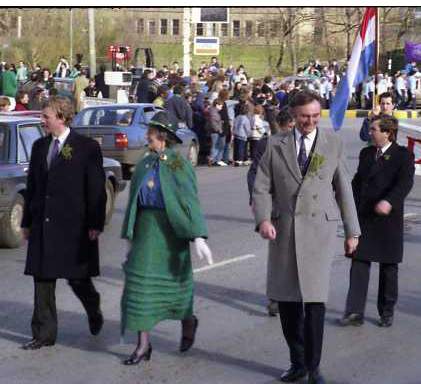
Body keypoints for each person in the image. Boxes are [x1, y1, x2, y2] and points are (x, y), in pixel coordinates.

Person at [252, 91, 360, 384]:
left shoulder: (333, 144)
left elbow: (344, 189)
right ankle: (297, 362)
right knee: (287, 304)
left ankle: (314, 368)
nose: (309, 121)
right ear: (293, 116)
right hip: (284, 232)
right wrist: (262, 219)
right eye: (303, 116)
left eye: (315, 116)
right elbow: (261, 187)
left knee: (314, 304)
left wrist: (352, 231)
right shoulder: (275, 145)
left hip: (318, 233)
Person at [120, 110, 213, 365]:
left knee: (177, 287)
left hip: (171, 234)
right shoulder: (145, 162)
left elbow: (188, 199)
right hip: (145, 232)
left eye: (150, 132)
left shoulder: (176, 163)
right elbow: (133, 202)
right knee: (140, 289)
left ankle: (188, 320)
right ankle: (143, 345)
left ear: (161, 135)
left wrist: (198, 237)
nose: (146, 135)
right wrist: (128, 237)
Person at [20, 96, 106, 350]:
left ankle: (92, 305)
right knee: (42, 279)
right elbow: (33, 187)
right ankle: (43, 334)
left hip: (74, 227)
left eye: (45, 116)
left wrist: (95, 223)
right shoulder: (39, 147)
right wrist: (27, 221)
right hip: (43, 224)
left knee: (77, 278)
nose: (41, 120)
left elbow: (96, 188)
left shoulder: (86, 147)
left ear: (61, 117)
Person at [337, 115, 415, 328]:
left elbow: (404, 184)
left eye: (373, 129)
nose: (369, 133)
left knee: (388, 267)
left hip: (387, 219)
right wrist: (346, 202)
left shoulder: (403, 155)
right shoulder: (366, 154)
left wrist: (389, 202)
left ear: (387, 133)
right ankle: (354, 312)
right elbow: (358, 181)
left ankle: (386, 311)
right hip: (364, 217)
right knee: (359, 262)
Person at [247, 107, 295, 317]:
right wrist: (255, 199)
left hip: (298, 208)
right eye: (292, 126)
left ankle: (294, 295)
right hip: (275, 207)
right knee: (280, 254)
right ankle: (276, 298)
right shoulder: (266, 144)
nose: (296, 130)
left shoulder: (304, 145)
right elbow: (254, 173)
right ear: (283, 125)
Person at [206, 99, 226, 166]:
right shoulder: (213, 112)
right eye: (220, 106)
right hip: (215, 132)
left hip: (215, 131)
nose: (221, 107)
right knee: (215, 146)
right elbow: (213, 123)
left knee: (216, 146)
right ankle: (211, 158)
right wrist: (218, 129)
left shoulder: (215, 111)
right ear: (217, 105)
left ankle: (213, 159)